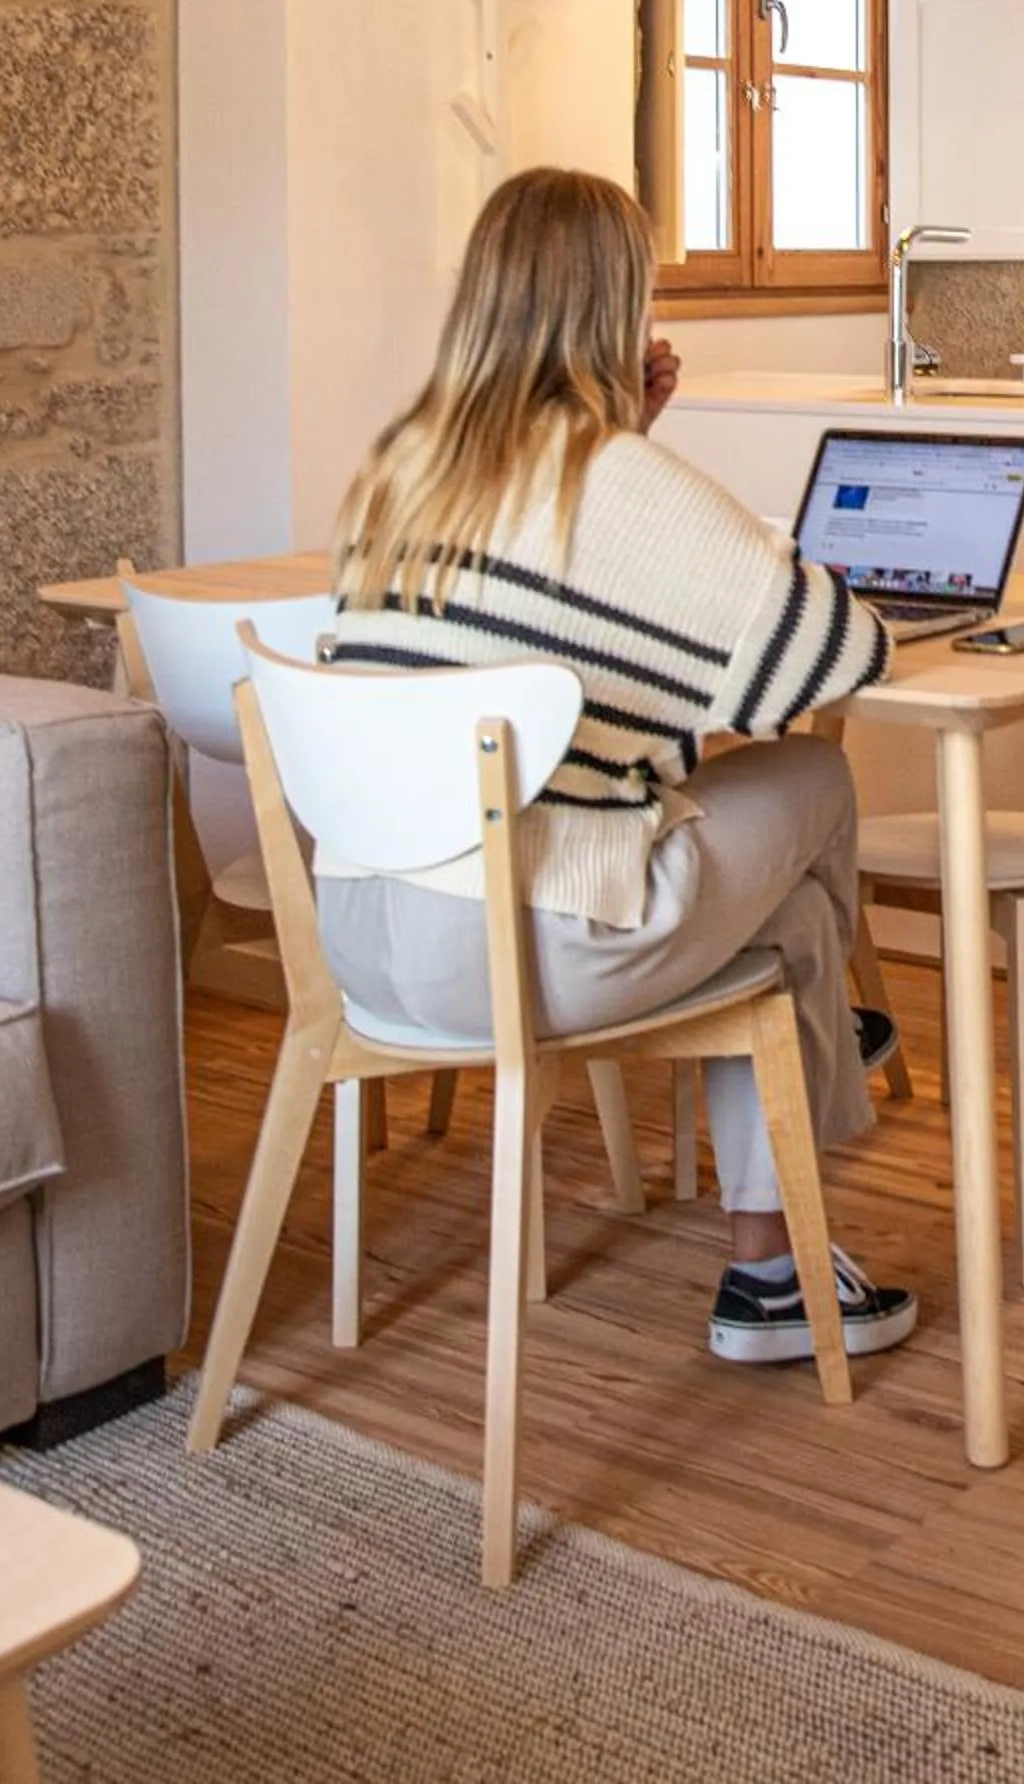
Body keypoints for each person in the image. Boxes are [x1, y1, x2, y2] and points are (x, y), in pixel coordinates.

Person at [319, 165, 915, 1364]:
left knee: (787, 926)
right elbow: (838, 657)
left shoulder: (401, 462)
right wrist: (634, 455)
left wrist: (626, 441)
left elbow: (551, 614)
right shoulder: (614, 481)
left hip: (367, 945)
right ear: (612, 305)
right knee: (814, 785)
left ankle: (780, 1257)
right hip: (526, 950)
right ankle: (800, 1137)